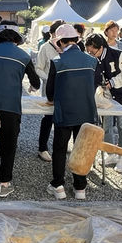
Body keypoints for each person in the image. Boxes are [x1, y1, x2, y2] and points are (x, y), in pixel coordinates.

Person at [0, 27, 40, 197]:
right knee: (8, 145)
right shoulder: (24, 56)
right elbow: (36, 82)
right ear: (16, 41)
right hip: (11, 107)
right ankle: (4, 183)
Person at [46, 23, 100, 200]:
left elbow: (50, 93)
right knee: (81, 148)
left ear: (60, 42)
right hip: (86, 112)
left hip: (64, 112)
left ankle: (58, 185)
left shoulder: (58, 62)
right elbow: (95, 85)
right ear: (76, 40)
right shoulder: (92, 61)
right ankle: (80, 188)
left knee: (60, 149)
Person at [85, 33, 122, 173]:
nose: (90, 54)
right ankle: (111, 154)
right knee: (106, 126)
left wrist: (114, 82)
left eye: (92, 51)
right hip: (106, 96)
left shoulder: (117, 54)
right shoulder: (93, 59)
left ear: (100, 47)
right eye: (88, 51)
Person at [34, 20, 63, 162]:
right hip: (50, 88)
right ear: (52, 33)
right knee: (48, 117)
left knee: (63, 117)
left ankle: (61, 145)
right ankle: (42, 147)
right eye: (58, 32)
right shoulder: (45, 47)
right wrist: (49, 79)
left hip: (65, 88)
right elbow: (38, 68)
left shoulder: (67, 47)